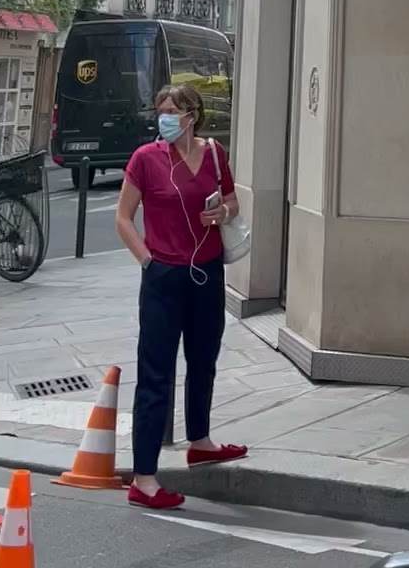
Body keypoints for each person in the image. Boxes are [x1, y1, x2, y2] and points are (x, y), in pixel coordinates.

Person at [116, 83, 248, 510]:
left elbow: (233, 203)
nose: (165, 118)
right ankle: (144, 477)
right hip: (163, 276)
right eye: (161, 110)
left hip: (206, 272)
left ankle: (200, 441)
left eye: (172, 110)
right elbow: (123, 217)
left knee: (204, 359)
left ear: (193, 115)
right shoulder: (146, 158)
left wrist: (222, 212)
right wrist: (147, 262)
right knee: (155, 373)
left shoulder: (214, 154)